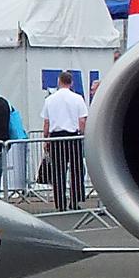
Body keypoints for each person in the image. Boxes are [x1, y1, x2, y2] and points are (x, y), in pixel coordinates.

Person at [41, 70, 90, 209]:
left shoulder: (50, 100)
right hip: (73, 137)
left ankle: (60, 202)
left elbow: (46, 123)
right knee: (76, 170)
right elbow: (82, 120)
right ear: (71, 82)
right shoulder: (78, 98)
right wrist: (82, 134)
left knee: (58, 171)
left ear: (59, 81)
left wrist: (46, 139)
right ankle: (75, 201)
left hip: (56, 138)